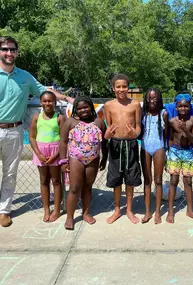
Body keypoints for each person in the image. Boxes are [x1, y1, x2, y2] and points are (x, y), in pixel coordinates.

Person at [0, 36, 74, 227]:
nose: (9, 53)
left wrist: (68, 99)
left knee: (9, 173)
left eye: (12, 49)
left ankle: (4, 210)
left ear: (16, 52)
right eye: (5, 49)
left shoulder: (25, 76)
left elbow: (44, 91)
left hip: (15, 130)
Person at [59, 97, 108, 230]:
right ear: (75, 109)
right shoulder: (70, 122)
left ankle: (86, 213)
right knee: (75, 187)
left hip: (93, 158)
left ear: (91, 107)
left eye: (86, 107)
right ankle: (70, 217)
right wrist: (63, 161)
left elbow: (104, 142)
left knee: (87, 186)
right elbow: (63, 142)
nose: (83, 110)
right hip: (76, 158)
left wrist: (104, 158)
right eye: (79, 108)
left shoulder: (99, 122)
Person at [104, 73, 142, 224]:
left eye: (124, 86)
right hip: (115, 145)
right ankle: (117, 209)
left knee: (130, 178)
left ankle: (129, 210)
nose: (121, 89)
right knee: (116, 178)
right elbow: (108, 127)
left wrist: (135, 134)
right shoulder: (108, 105)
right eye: (118, 86)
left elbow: (138, 126)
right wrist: (107, 134)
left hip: (130, 145)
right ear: (113, 88)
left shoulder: (135, 105)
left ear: (128, 88)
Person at [166, 94, 193, 224]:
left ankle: (190, 210)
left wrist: (186, 130)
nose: (183, 108)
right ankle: (170, 211)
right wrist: (168, 156)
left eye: (186, 106)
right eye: (180, 106)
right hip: (174, 151)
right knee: (173, 181)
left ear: (190, 107)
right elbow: (170, 139)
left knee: (188, 182)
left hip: (188, 152)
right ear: (176, 107)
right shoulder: (172, 121)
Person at [29, 91, 65, 222]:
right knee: (44, 181)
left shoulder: (59, 118)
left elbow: (63, 139)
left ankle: (56, 209)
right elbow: (32, 137)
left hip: (55, 152)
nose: (47, 103)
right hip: (41, 152)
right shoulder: (36, 117)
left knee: (56, 181)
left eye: (50, 101)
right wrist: (38, 153)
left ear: (55, 102)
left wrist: (56, 155)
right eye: (44, 101)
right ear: (40, 102)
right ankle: (46, 209)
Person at [140, 88, 168, 224]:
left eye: (155, 98)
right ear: (146, 99)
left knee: (158, 180)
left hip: (159, 148)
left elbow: (167, 135)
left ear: (159, 99)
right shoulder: (143, 113)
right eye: (150, 98)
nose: (152, 100)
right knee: (147, 181)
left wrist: (167, 153)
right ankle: (147, 212)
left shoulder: (163, 114)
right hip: (145, 148)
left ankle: (158, 212)